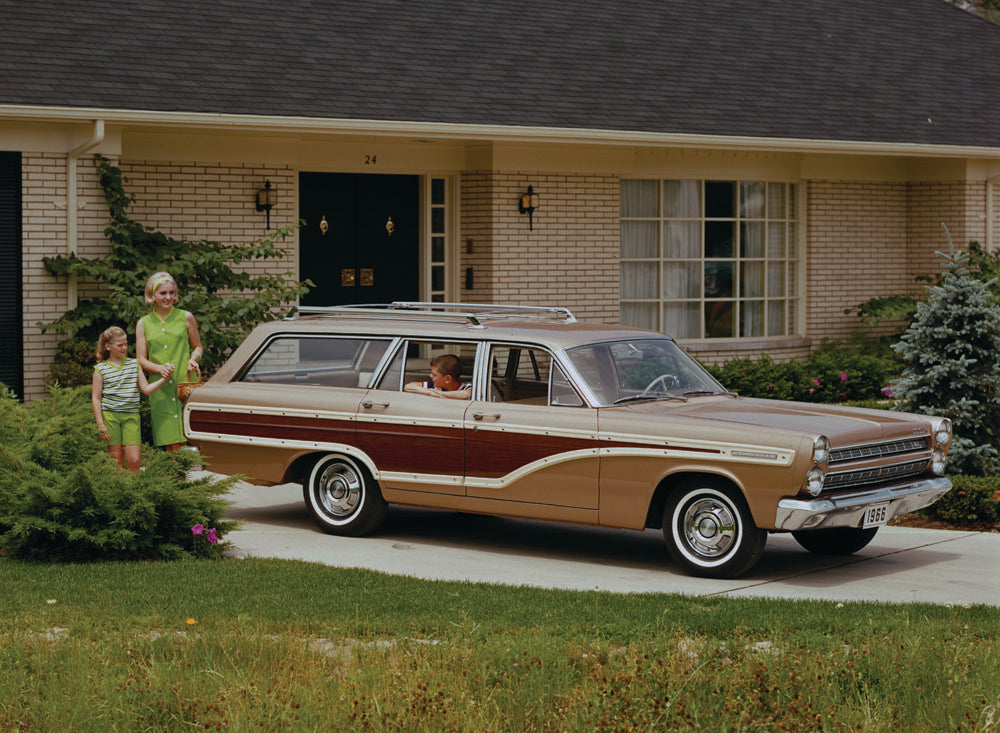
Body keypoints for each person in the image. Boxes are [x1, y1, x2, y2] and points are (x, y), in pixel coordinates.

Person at [136, 271, 204, 451]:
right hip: (160, 387)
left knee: (185, 435)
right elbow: (141, 359)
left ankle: (180, 475)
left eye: (171, 293)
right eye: (163, 293)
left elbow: (198, 347)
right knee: (168, 439)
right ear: (152, 295)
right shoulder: (144, 323)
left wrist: (193, 359)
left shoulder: (186, 317)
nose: (168, 297)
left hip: (184, 384)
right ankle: (176, 476)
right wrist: (159, 369)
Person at [91, 326, 168, 472]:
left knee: (135, 460)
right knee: (116, 462)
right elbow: (96, 398)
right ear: (108, 346)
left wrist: (164, 379)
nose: (124, 347)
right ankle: (121, 491)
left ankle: (135, 489)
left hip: (131, 416)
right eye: (120, 345)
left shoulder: (134, 364)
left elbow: (145, 389)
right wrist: (100, 424)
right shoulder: (100, 369)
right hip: (110, 417)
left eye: (126, 344)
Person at [404, 353, 472, 399]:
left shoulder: (466, 387)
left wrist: (440, 394)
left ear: (447, 379)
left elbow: (466, 395)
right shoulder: (435, 387)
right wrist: (431, 393)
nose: (430, 376)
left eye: (434, 375)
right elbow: (408, 387)